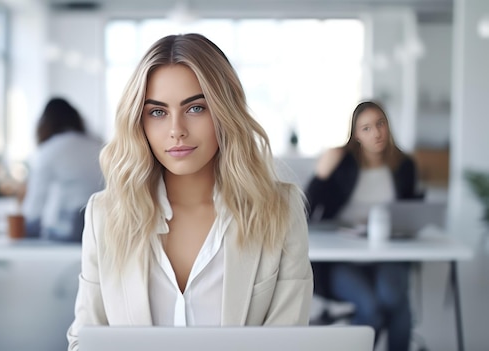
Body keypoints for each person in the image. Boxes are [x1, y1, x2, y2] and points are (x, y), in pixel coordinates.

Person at [66, 33, 313, 351]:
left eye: (195, 108)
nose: (176, 129)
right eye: (157, 112)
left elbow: (289, 344)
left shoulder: (280, 208)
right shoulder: (105, 215)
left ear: (225, 113)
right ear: (139, 122)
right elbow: (84, 340)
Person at [306, 101, 420, 351]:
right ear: (356, 135)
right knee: (373, 307)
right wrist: (321, 173)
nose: (376, 133)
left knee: (393, 298)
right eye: (366, 128)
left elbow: (411, 213)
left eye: (380, 124)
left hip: (387, 252)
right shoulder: (343, 163)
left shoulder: (404, 166)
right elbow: (308, 208)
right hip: (343, 255)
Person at [21, 97, 103, 241]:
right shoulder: (98, 144)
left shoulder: (49, 150)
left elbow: (35, 203)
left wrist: (24, 226)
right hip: (105, 225)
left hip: (74, 229)